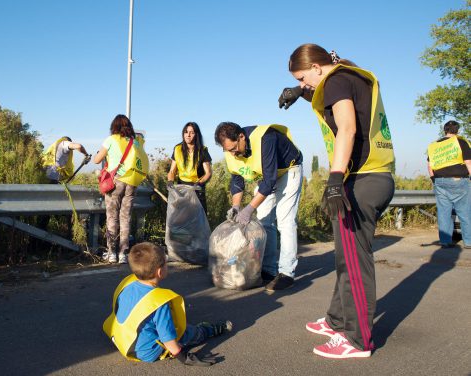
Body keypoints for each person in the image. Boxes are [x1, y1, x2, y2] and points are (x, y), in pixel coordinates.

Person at [283, 43, 395, 359]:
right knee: (345, 256)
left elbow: (347, 127)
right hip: (374, 177)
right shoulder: (345, 78)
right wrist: (300, 92)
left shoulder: (336, 81)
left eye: (304, 78)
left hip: (362, 179)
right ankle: (337, 320)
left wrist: (334, 179)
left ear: (318, 68)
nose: (304, 85)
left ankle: (358, 340)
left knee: (356, 262)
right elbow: (328, 100)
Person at [103, 242, 232, 365]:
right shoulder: (158, 302)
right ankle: (209, 330)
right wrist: (185, 358)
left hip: (124, 341)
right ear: (159, 272)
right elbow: (168, 339)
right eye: (166, 263)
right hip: (148, 352)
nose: (167, 265)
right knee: (187, 332)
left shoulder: (128, 285)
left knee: (158, 321)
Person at [214, 121, 303, 291]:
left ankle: (286, 273)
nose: (233, 154)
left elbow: (269, 182)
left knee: (285, 221)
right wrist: (236, 206)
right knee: (264, 222)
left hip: (288, 169)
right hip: (267, 175)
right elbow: (237, 179)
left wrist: (249, 209)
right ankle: (269, 270)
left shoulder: (265, 139)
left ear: (241, 137)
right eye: (228, 151)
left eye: (234, 149)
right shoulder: (230, 149)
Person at [94, 114, 149, 264]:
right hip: (131, 182)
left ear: (114, 127)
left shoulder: (111, 140)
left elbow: (97, 159)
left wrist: (99, 154)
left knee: (112, 217)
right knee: (126, 218)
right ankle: (123, 254)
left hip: (116, 182)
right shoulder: (134, 142)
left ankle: (112, 253)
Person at [426, 120, 471, 248]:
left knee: (443, 213)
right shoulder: (461, 142)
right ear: (457, 131)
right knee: (465, 212)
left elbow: (430, 167)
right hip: (460, 180)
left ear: (444, 130)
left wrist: (435, 180)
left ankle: (445, 241)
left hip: (440, 181)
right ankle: (468, 242)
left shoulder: (434, 145)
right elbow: (468, 163)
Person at [167, 122, 212, 212]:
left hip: (197, 187)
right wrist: (170, 183)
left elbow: (208, 173)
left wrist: (198, 185)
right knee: (181, 216)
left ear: (196, 135)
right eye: (186, 132)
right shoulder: (177, 149)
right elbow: (172, 171)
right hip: (181, 187)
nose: (188, 135)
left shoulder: (202, 150)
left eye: (192, 132)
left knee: (199, 216)